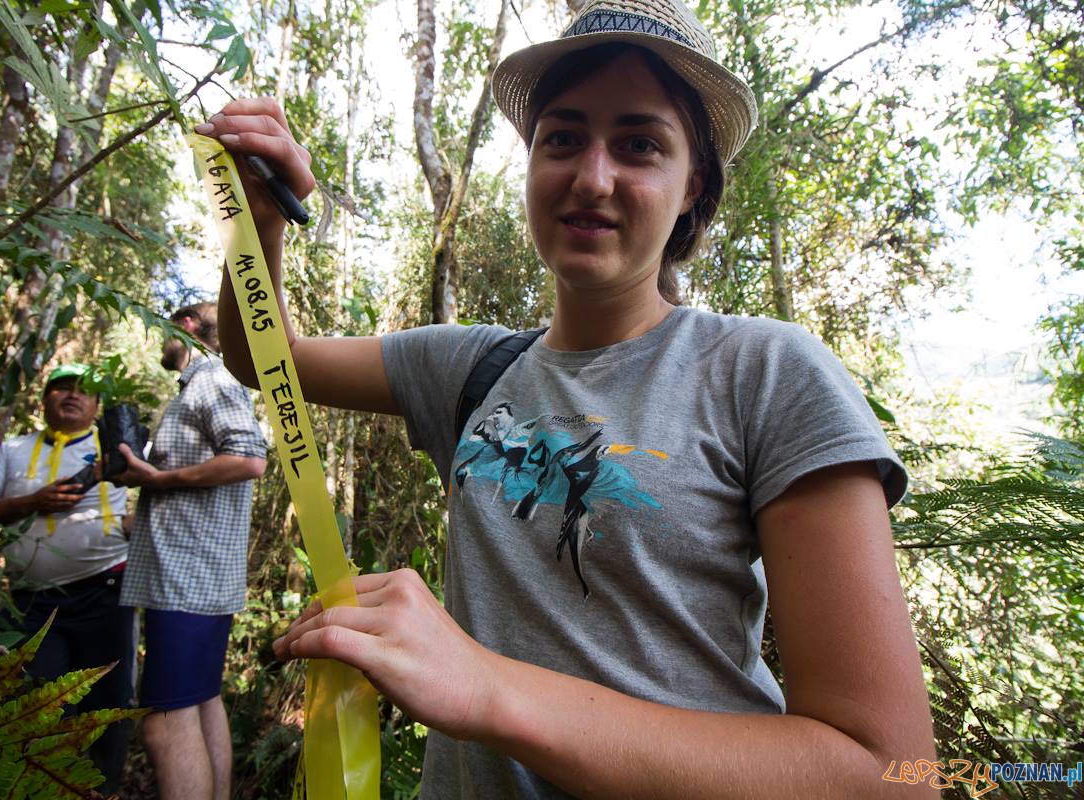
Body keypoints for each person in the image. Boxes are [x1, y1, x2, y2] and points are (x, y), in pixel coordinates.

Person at [202, 0, 939, 795]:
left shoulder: (764, 371)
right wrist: (261, 223)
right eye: (562, 138)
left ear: (693, 185)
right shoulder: (469, 369)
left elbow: (892, 774)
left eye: (639, 144)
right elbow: (257, 356)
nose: (593, 177)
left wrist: (487, 687)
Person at [114, 302, 267, 800]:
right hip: (192, 578)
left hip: (186, 581)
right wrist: (145, 510)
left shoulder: (210, 379)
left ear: (182, 326)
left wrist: (159, 478)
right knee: (201, 704)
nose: (159, 342)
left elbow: (247, 458)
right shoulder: (202, 385)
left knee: (163, 725)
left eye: (162, 331)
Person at [0, 363, 135, 796]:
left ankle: (101, 788)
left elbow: (161, 488)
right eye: (60, 388)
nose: (71, 395)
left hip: (105, 591)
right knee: (34, 700)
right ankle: (34, 785)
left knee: (107, 700)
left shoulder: (117, 450)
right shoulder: (15, 449)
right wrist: (31, 502)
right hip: (31, 602)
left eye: (82, 390)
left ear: (96, 405)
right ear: (44, 400)